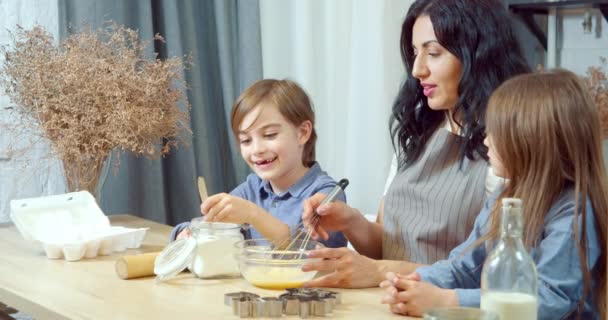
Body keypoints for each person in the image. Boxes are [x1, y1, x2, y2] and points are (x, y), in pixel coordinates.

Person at [300, 0, 530, 288]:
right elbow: (388, 244)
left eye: (433, 53)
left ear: (478, 55)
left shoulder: (503, 148)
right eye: (414, 53)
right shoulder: (418, 132)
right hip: (394, 300)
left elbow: (492, 277)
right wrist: (349, 220)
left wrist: (381, 271)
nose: (417, 70)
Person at [380, 70, 607, 319]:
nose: (486, 141)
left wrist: (448, 299)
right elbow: (465, 266)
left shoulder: (576, 210)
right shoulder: (506, 197)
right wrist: (413, 282)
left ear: (529, 140)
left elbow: (548, 298)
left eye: (495, 133)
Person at [170, 79, 347, 248]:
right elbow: (213, 228)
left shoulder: (326, 193)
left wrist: (253, 214)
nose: (257, 150)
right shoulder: (251, 189)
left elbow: (303, 253)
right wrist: (186, 233)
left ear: (302, 133)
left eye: (269, 135)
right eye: (246, 140)